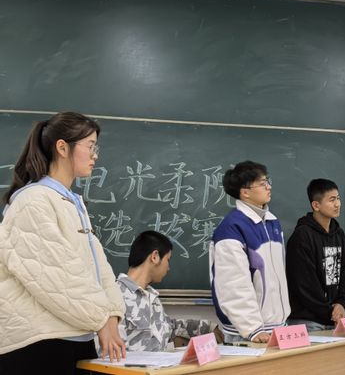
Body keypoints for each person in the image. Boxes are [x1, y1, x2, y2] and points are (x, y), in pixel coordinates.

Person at [0, 112, 126, 374]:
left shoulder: (70, 202)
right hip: (36, 345)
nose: (95, 155)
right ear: (62, 147)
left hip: (72, 336)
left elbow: (100, 269)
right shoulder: (33, 201)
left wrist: (113, 314)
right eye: (90, 146)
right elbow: (56, 275)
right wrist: (101, 318)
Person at [209, 160, 290, 343]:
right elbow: (233, 284)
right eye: (262, 183)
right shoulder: (232, 228)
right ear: (245, 192)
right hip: (248, 333)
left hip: (277, 327)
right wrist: (252, 329)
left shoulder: (273, 223)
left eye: (268, 181)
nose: (269, 187)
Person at [117, 230, 211, 351]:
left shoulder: (152, 297)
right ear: (155, 257)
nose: (168, 268)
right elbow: (112, 353)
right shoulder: (116, 296)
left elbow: (170, 327)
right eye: (168, 260)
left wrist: (209, 328)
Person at [286, 178, 345, 330]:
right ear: (316, 205)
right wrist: (330, 312)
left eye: (338, 198)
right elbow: (304, 285)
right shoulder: (302, 236)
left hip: (334, 318)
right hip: (308, 320)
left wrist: (342, 304)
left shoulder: (339, 234)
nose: (338, 204)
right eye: (332, 200)